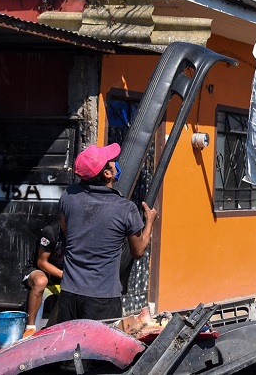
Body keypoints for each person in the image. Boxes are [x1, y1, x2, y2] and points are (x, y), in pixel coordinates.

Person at [55, 143, 157, 323]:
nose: (116, 163)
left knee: (70, 349)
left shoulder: (69, 196)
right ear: (108, 174)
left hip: (69, 294)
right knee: (100, 350)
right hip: (103, 299)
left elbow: (65, 229)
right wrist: (149, 221)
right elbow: (138, 251)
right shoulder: (125, 208)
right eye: (112, 162)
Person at [21, 217, 64, 337]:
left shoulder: (79, 233)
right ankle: (30, 328)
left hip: (62, 274)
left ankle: (52, 329)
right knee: (41, 281)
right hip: (38, 270)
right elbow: (41, 262)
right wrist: (64, 275)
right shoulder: (51, 232)